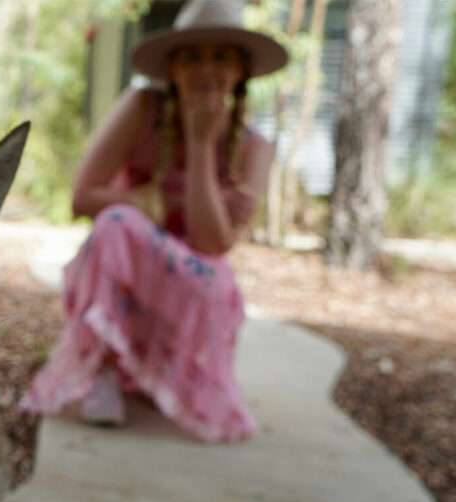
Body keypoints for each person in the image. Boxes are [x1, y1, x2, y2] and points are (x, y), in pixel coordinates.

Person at [20, 0, 288, 442]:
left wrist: (201, 144)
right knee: (116, 224)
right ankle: (103, 371)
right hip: (125, 261)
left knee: (217, 285)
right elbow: (83, 197)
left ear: (241, 68)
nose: (206, 68)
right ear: (172, 67)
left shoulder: (254, 147)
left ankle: (163, 371)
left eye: (221, 55)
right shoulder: (141, 107)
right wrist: (153, 200)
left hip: (191, 273)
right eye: (194, 55)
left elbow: (213, 245)